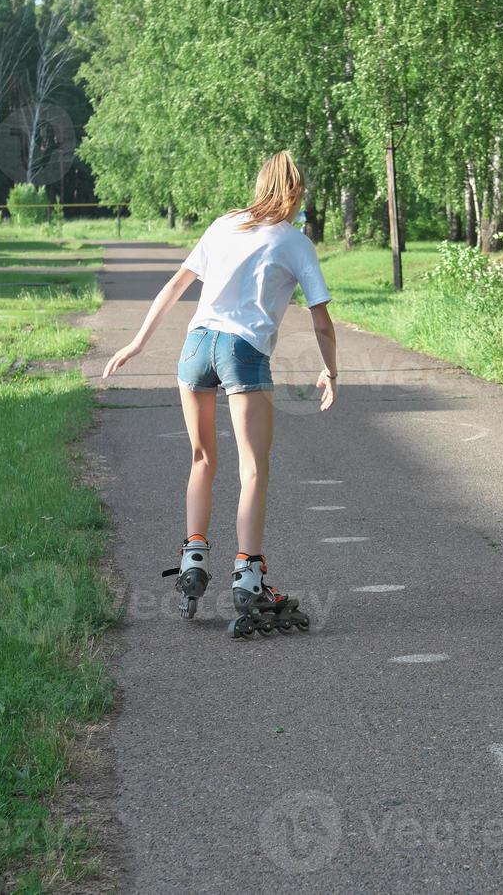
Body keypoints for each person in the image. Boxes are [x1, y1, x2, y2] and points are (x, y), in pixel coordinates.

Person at [102, 151, 339, 639]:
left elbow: (176, 284)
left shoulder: (223, 224)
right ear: (295, 193)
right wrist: (330, 370)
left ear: (259, 185)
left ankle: (193, 558)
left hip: (194, 347)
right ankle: (248, 576)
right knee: (253, 467)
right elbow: (320, 317)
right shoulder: (296, 242)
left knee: (202, 460)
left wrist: (137, 343)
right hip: (241, 350)